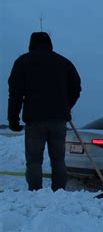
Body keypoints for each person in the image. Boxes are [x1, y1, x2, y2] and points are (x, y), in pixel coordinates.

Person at [8, 32, 81, 191]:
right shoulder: (64, 63)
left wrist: (13, 119)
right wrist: (65, 107)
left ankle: (35, 193)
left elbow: (15, 93)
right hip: (58, 121)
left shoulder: (23, 62)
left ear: (31, 44)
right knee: (58, 159)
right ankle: (59, 193)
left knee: (34, 161)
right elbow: (76, 89)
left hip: (35, 120)